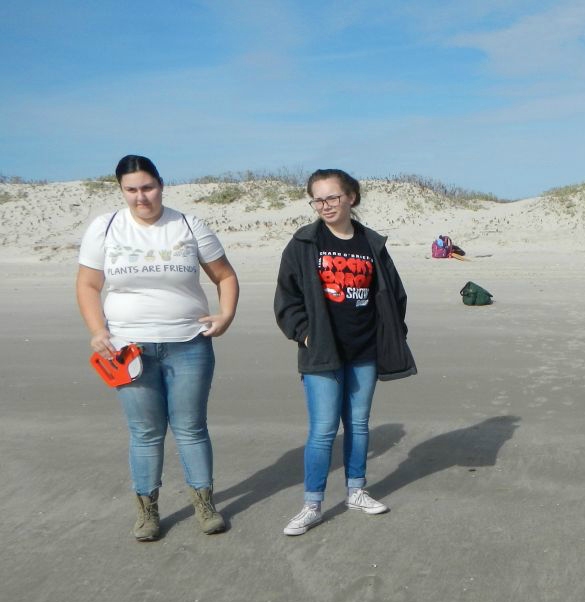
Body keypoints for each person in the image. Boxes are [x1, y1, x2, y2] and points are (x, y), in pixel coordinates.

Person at [77, 155, 240, 541]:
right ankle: (147, 511)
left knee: (190, 427)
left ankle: (204, 503)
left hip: (188, 344)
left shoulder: (187, 224)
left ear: (161, 185)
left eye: (147, 187)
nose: (141, 197)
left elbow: (225, 275)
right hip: (127, 350)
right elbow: (87, 285)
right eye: (131, 190)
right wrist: (97, 329)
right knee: (145, 432)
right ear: (121, 191)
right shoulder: (105, 228)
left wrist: (226, 314)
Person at [274, 168, 412, 536]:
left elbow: (394, 294)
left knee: (359, 424)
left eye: (332, 197)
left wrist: (392, 333)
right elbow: (286, 299)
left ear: (351, 197)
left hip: (364, 351)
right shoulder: (304, 243)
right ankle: (312, 504)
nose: (325, 205)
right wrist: (303, 335)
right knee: (322, 430)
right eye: (318, 199)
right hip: (321, 353)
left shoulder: (372, 243)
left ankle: (356, 491)